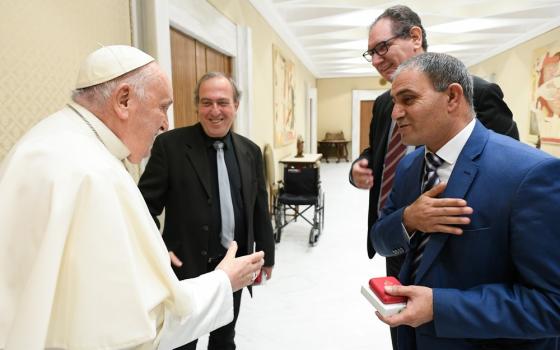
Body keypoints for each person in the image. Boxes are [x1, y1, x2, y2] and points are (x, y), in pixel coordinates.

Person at [0, 45, 266, 350]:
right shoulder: (96, 175)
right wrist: (222, 282)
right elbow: (144, 330)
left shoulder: (45, 140)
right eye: (162, 107)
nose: (165, 123)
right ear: (124, 100)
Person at [349, 7, 519, 347]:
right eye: (371, 54)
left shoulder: (478, 93)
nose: (376, 60)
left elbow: (507, 170)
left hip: (456, 242)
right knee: (403, 328)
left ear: (415, 37)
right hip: (398, 233)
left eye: (382, 48)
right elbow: (380, 151)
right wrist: (362, 165)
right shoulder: (386, 104)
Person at [370, 52, 560, 350]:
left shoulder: (529, 174)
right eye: (395, 102)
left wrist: (439, 307)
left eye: (407, 99)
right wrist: (408, 219)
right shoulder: (409, 166)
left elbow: (551, 305)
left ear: (452, 97)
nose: (395, 113)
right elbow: (381, 240)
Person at [138, 72, 275, 350]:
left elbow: (259, 208)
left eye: (223, 102)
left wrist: (267, 257)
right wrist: (156, 248)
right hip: (185, 268)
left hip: (233, 265)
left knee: (224, 338)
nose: (215, 111)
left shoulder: (250, 151)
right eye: (206, 102)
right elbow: (142, 206)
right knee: (182, 342)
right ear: (197, 106)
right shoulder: (170, 146)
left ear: (236, 105)